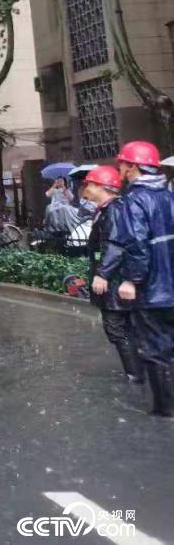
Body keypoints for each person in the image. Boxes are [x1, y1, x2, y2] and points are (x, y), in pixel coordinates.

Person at [115, 141, 174, 417]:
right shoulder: (168, 195)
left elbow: (137, 243)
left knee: (155, 348)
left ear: (134, 167)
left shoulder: (135, 198)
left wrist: (131, 280)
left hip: (154, 290)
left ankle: (166, 409)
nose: (121, 170)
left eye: (124, 165)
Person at [83, 165, 145, 384]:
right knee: (123, 327)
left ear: (102, 186)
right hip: (115, 278)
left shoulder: (115, 209)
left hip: (116, 279)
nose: (86, 188)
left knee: (117, 328)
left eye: (90, 183)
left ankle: (136, 374)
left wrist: (103, 274)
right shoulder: (108, 209)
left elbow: (115, 244)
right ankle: (138, 371)